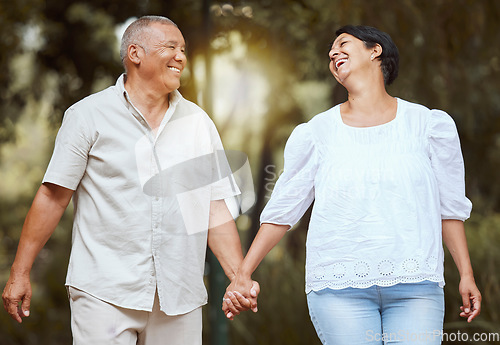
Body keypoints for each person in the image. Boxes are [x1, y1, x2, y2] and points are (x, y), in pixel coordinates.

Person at [2, 15, 258, 345]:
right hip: (103, 292)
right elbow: (53, 197)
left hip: (179, 297)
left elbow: (214, 210)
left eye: (183, 49)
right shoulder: (87, 116)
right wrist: (20, 272)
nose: (181, 56)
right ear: (135, 54)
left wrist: (239, 278)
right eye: (171, 47)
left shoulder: (199, 124)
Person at [222, 25, 481, 344]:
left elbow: (449, 206)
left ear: (376, 51)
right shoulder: (316, 133)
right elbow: (284, 208)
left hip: (416, 287)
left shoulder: (429, 126)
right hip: (337, 290)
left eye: (343, 44)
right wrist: (243, 274)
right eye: (330, 51)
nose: (332, 53)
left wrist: (466, 274)